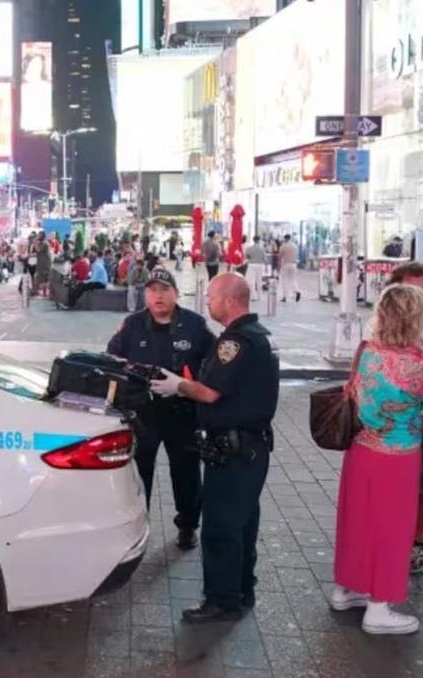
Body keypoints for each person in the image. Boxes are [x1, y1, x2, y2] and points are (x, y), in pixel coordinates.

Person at [150, 273, 279, 622]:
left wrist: (177, 385)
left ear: (229, 301)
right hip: (251, 448)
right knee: (243, 524)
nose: (207, 302)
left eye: (211, 296)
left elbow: (209, 393)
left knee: (221, 527)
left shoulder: (235, 342)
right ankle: (242, 590)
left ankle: (222, 599)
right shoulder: (259, 336)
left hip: (234, 451)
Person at [331, 284, 423, 635]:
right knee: (393, 527)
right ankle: (379, 608)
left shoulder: (366, 352)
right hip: (399, 456)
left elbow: (353, 391)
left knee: (357, 518)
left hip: (361, 449)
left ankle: (345, 589)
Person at [109, 267, 214, 549]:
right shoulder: (132, 325)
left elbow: (213, 366)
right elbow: (113, 361)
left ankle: (188, 525)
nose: (158, 296)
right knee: (138, 472)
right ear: (145, 294)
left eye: (165, 290)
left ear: (176, 294)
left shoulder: (195, 326)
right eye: (153, 290)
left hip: (182, 412)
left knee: (186, 472)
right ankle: (138, 525)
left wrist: (193, 388)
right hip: (143, 413)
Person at [368, 263, 423, 574]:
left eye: (422, 290)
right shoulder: (375, 324)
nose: (414, 297)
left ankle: (417, 543)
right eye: (407, 289)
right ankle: (382, 539)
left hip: (419, 422)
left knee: (421, 482)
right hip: (378, 427)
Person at [278, 235, 301, 302]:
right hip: (294, 265)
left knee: (285, 280)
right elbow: (296, 256)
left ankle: (285, 296)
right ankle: (297, 291)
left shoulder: (283, 246)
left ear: (285, 239)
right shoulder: (295, 246)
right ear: (290, 238)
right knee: (293, 279)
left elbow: (280, 257)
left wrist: (278, 266)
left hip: (286, 264)